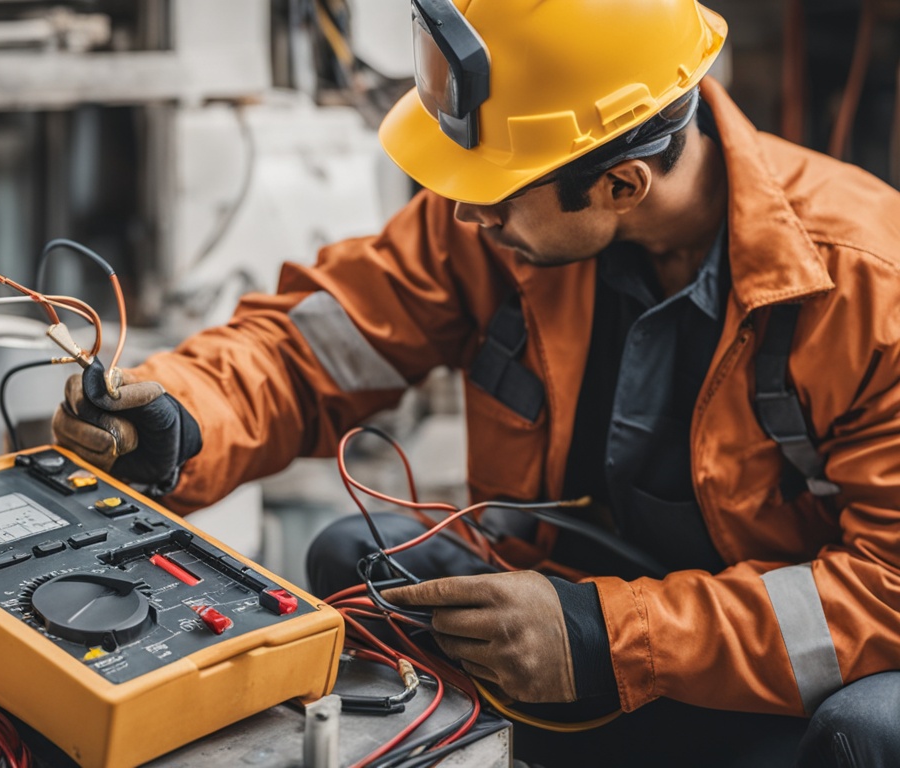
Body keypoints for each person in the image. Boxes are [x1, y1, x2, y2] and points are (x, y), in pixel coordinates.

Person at [51, 1, 900, 765]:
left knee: (869, 734)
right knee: (357, 562)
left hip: (774, 691)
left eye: (493, 194)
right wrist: (186, 413)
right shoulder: (507, 221)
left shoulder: (869, 288)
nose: (464, 214)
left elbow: (887, 591)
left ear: (621, 184)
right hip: (579, 611)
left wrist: (615, 638)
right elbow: (314, 348)